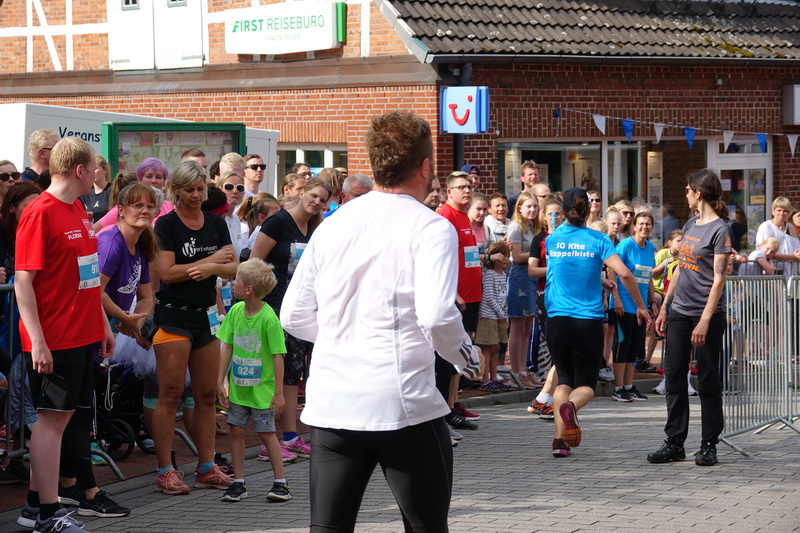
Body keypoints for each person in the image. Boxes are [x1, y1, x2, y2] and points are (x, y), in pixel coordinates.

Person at [280, 110, 480, 532]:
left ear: (375, 164)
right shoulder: (431, 227)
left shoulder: (332, 224)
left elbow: (294, 314)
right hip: (400, 401)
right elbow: (437, 314)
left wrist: (343, 338)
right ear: (425, 167)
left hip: (334, 402)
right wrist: (467, 357)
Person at [15, 137, 116, 533]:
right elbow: (23, 281)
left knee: (63, 419)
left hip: (82, 333)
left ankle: (32, 506)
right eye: (94, 167)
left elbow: (87, 273)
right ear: (79, 170)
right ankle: (47, 513)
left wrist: (102, 324)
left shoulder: (76, 207)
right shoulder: (40, 212)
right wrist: (38, 340)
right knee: (51, 422)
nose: (97, 174)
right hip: (54, 337)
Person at [151, 160, 237, 495]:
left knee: (205, 395)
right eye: (189, 190)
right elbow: (168, 273)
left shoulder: (215, 223)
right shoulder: (167, 224)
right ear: (176, 191)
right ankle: (165, 470)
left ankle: (206, 466)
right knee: (171, 394)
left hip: (206, 317)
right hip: (174, 316)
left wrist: (212, 268)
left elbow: (234, 268)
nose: (196, 195)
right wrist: (211, 262)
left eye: (200, 189)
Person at [545, 187, 649, 457]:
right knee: (586, 386)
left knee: (564, 380)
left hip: (556, 320)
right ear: (588, 210)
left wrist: (598, 280)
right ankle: (571, 408)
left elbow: (567, 270)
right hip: (587, 321)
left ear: (564, 210)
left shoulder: (553, 239)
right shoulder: (598, 239)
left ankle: (560, 442)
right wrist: (640, 305)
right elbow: (625, 274)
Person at [649, 168, 733, 467]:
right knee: (673, 377)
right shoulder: (690, 223)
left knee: (708, 380)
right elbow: (681, 267)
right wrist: (666, 306)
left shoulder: (721, 229)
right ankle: (675, 442)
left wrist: (705, 321)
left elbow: (719, 280)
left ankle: (709, 444)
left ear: (698, 193)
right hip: (680, 312)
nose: (685, 194)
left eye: (687, 189)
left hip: (706, 315)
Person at [250, 178, 331, 462]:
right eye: (313, 195)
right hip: (273, 308)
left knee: (292, 373)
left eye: (323, 200)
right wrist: (256, 306)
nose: (317, 202)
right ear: (301, 192)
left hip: (300, 311)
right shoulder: (278, 223)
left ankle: (291, 437)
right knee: (272, 373)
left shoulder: (316, 228)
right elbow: (254, 263)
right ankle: (267, 441)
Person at [216, 259, 292, 503]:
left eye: (237, 280)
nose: (233, 283)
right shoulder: (236, 311)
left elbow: (278, 356)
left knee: (266, 433)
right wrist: (220, 380)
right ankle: (238, 482)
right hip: (239, 389)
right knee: (235, 430)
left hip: (262, 392)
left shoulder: (269, 318)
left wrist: (278, 393)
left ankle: (280, 482)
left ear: (248, 289)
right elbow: (227, 346)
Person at [607, 212, 658, 402]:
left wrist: (652, 301)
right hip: (624, 302)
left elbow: (648, 277)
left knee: (635, 345)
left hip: (640, 305)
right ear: (634, 226)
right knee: (622, 343)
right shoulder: (626, 245)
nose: (645, 227)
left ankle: (628, 386)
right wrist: (616, 298)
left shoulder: (650, 247)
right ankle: (618, 387)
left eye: (648, 224)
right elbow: (611, 269)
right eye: (641, 224)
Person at [506, 190, 541, 389]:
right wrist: (537, 253)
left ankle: (524, 370)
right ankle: (515, 372)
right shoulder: (515, 227)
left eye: (535, 206)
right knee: (518, 326)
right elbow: (517, 257)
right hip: (520, 276)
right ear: (519, 208)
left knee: (527, 327)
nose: (532, 210)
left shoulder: (533, 226)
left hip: (532, 276)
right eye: (528, 206)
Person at [94, 159, 174, 232]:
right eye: (148, 176)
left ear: (164, 181)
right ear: (140, 180)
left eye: (159, 177)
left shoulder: (170, 206)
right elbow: (93, 231)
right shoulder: (126, 207)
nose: (153, 181)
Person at [477, 241, 510, 391]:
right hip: (489, 316)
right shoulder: (490, 275)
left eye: (508, 256)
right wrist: (501, 314)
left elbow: (503, 298)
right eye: (503, 256)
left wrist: (504, 316)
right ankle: (485, 379)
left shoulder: (503, 275)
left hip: (499, 316)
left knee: (496, 347)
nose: (506, 259)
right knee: (489, 347)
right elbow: (489, 298)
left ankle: (494, 378)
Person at [755, 197, 800, 278]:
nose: (782, 213)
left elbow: (797, 250)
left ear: (789, 213)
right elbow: (766, 253)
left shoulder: (790, 228)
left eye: (785, 211)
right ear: (773, 211)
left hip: (790, 273)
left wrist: (796, 256)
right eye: (779, 210)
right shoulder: (766, 226)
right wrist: (792, 257)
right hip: (772, 274)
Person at [216, 171, 248, 258]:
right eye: (229, 187)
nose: (235, 191)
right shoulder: (217, 218)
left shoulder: (236, 219)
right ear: (219, 190)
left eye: (240, 188)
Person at [80, 155, 112, 223]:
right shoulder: (86, 193)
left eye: (95, 169)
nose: (92, 172)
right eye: (89, 170)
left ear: (105, 170)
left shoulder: (113, 190)